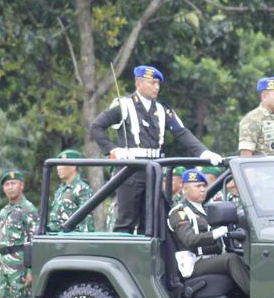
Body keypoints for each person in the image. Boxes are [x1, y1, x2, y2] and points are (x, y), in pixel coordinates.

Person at [89, 65, 221, 233]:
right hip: (130, 170)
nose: (156, 87)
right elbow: (96, 126)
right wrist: (113, 150)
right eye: (152, 83)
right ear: (138, 83)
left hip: (153, 170)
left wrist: (203, 152)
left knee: (151, 221)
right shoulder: (125, 105)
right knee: (126, 220)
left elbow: (181, 132)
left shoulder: (162, 109)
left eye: (158, 83)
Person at [166, 169, 250, 293]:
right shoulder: (180, 212)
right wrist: (217, 233)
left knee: (244, 256)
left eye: (204, 186)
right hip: (194, 263)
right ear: (185, 189)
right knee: (231, 259)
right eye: (197, 186)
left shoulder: (206, 210)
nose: (202, 189)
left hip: (211, 258)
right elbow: (189, 240)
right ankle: (256, 297)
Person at [0, 170, 38, 298]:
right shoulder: (5, 211)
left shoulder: (28, 209)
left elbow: (34, 240)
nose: (10, 187)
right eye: (7, 184)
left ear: (22, 185)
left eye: (14, 183)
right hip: (5, 261)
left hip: (20, 261)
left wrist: (31, 269)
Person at [48, 150, 94, 232]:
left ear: (73, 166)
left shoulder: (82, 189)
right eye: (58, 164)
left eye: (62, 164)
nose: (58, 168)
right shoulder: (60, 190)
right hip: (55, 239)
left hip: (70, 240)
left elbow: (86, 223)